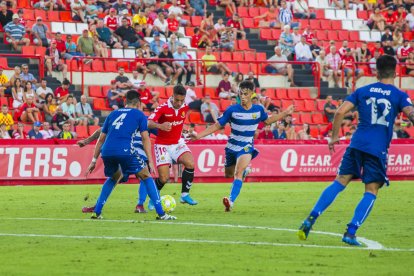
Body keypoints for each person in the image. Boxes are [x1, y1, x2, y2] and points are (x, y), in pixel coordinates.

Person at [298, 55, 414, 246]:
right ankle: (350, 232)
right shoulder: (399, 95)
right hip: (377, 149)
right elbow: (411, 113)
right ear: (396, 71)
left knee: (339, 182)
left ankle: (310, 218)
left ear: (376, 72)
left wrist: (334, 136)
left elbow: (339, 112)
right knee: (371, 190)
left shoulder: (362, 91)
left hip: (357, 143)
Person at [192, 80, 294, 211]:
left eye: (246, 94)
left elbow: (268, 121)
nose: (243, 97)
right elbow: (218, 125)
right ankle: (244, 171)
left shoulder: (258, 110)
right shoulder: (232, 110)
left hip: (246, 146)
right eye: (241, 94)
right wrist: (199, 136)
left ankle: (231, 201)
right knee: (228, 175)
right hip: (231, 146)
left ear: (252, 94)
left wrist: (285, 113)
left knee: (237, 172)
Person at [85, 90, 175, 220]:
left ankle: (97, 211)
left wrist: (93, 160)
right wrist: (150, 161)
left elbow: (101, 139)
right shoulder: (139, 115)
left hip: (106, 152)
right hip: (125, 150)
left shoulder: (113, 114)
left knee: (114, 177)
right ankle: (161, 214)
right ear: (139, 103)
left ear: (124, 101)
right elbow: (145, 138)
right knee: (146, 175)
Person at [147, 85, 198, 206]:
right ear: (172, 96)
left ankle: (185, 195)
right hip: (162, 145)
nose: (179, 103)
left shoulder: (185, 107)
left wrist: (187, 132)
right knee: (164, 178)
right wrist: (160, 126)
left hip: (177, 143)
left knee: (190, 163)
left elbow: (178, 124)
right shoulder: (162, 108)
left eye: (182, 100)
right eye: (177, 100)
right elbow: (148, 123)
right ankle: (153, 198)